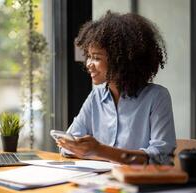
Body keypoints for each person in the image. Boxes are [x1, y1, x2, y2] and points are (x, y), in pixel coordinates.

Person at [57, 11, 176, 165]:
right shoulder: (96, 97)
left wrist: (99, 150)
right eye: (88, 56)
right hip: (101, 181)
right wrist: (74, 146)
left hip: (138, 184)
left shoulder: (157, 97)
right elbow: (66, 147)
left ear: (120, 60)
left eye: (96, 57)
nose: (88, 64)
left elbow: (160, 157)